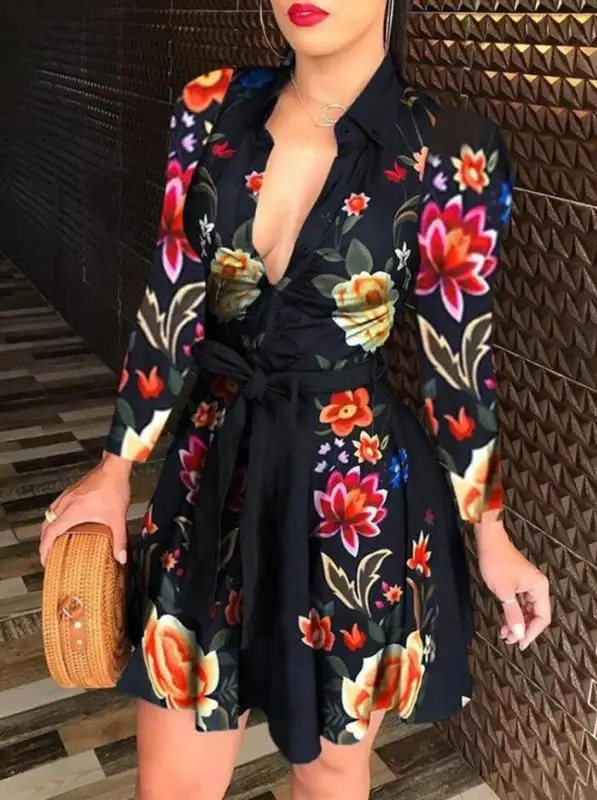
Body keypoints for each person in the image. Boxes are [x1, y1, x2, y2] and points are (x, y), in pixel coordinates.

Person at [39, 1, 551, 798]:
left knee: (330, 772)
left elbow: (458, 360)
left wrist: (491, 532)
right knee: (170, 780)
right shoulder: (211, 105)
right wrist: (115, 468)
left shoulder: (454, 149)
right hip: (211, 476)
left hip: (350, 499)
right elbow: (172, 297)